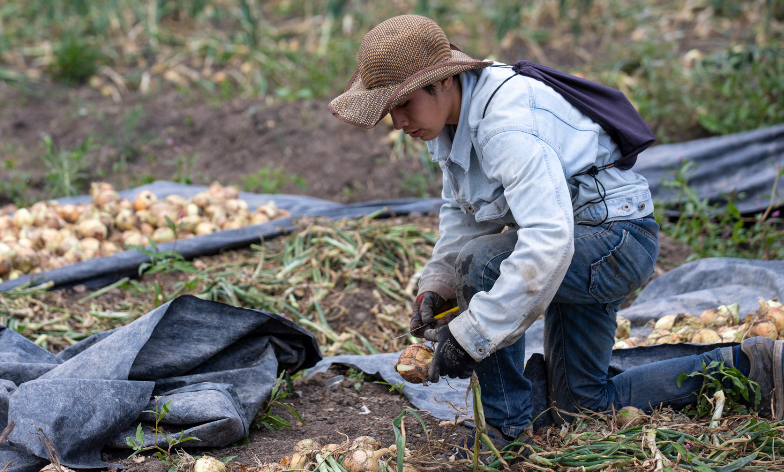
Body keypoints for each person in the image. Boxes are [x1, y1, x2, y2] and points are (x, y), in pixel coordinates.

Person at [328, 14, 784, 463]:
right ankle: (748, 365)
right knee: (582, 404)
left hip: (614, 242)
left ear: (442, 82)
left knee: (485, 264)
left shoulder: (506, 125)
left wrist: (472, 336)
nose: (398, 122)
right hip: (589, 242)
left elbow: (548, 241)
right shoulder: (453, 120)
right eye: (391, 110)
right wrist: (440, 282)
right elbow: (463, 209)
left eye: (403, 104)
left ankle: (506, 429)